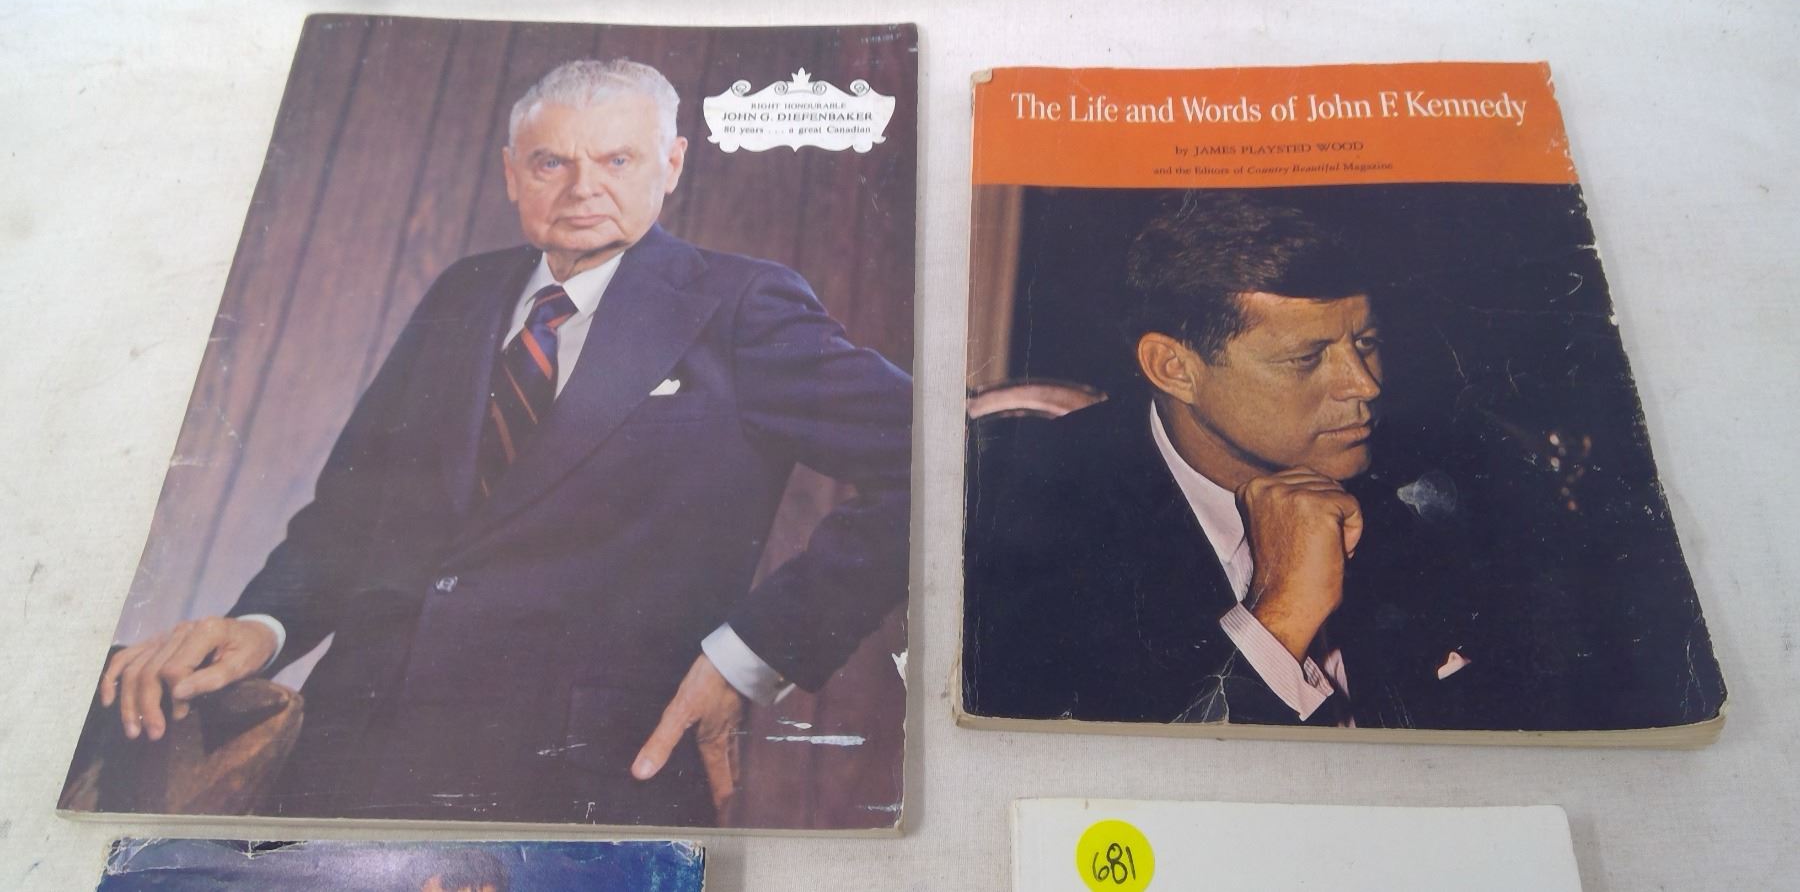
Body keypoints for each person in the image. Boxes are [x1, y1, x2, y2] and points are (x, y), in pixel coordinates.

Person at [96, 58, 912, 824]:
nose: (584, 189)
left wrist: (750, 655)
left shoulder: (741, 306)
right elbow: (349, 515)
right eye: (552, 162)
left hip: (582, 777)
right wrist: (265, 624)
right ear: (512, 173)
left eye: (618, 161)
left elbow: (934, 465)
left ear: (671, 164)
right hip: (351, 756)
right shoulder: (462, 293)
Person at [962, 192, 1499, 729]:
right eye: (1307, 357)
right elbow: (1110, 771)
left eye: (1366, 341)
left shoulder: (1438, 486)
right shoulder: (1024, 518)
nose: (1365, 384)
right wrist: (1280, 618)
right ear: (1173, 368)